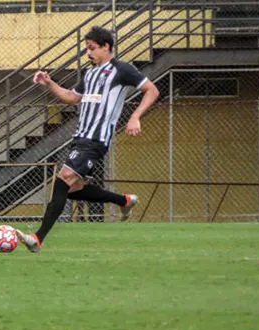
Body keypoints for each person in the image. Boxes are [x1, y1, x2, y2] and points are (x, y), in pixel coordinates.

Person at [16, 26, 159, 253]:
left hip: (96, 140)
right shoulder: (90, 74)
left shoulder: (122, 70)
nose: (88, 53)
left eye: (92, 48)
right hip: (80, 138)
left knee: (64, 178)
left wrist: (135, 117)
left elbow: (152, 90)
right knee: (73, 190)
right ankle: (123, 201)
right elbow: (72, 98)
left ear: (106, 47)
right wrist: (49, 83)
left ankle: (37, 238)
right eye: (87, 49)